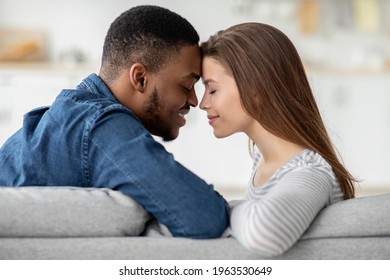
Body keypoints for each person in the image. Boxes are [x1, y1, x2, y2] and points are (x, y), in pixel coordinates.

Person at [0, 5, 229, 239]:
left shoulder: (74, 113)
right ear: (140, 78)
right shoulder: (102, 126)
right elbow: (206, 217)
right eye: (186, 86)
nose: (194, 100)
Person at [199, 22, 357, 256]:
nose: (203, 103)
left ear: (255, 89)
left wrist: (222, 210)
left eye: (212, 90)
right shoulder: (263, 159)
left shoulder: (309, 172)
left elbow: (263, 235)